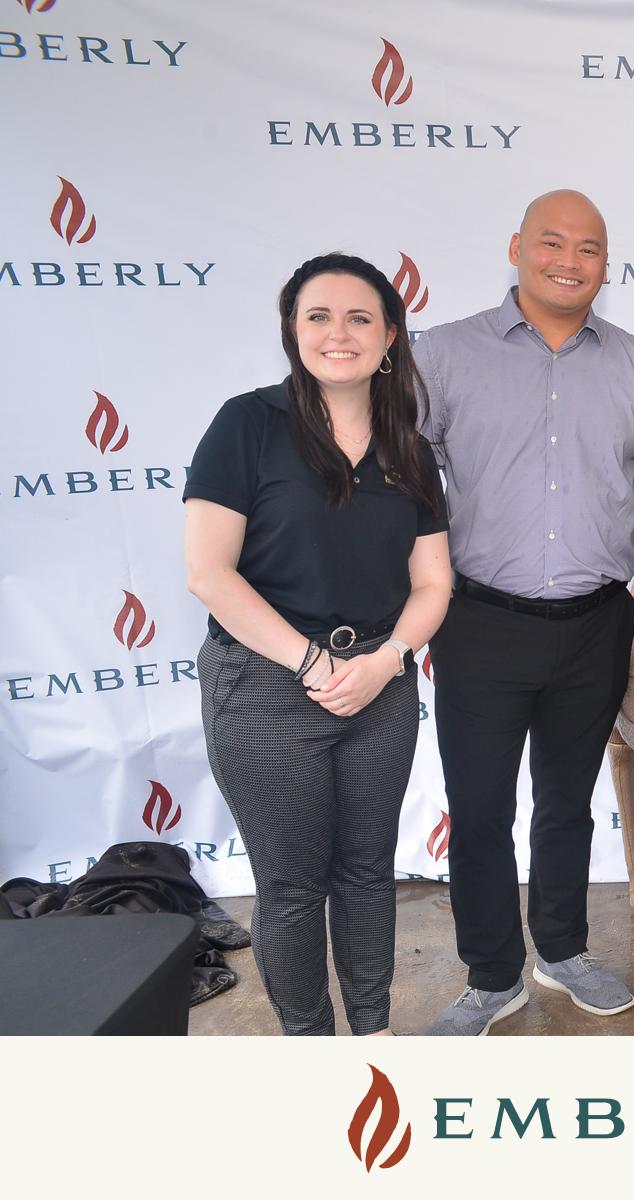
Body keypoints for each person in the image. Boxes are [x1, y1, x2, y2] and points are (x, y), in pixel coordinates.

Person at [415, 190, 634, 1035]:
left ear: (605, 266)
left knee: (566, 801)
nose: (569, 261)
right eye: (552, 243)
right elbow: (401, 479)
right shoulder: (444, 355)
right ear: (516, 247)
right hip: (478, 621)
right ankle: (490, 975)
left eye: (589, 249)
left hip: (594, 625)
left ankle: (564, 950)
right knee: (476, 808)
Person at [184, 252, 452, 1036]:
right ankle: (312, 1049)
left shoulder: (409, 445)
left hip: (381, 680)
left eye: (360, 317)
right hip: (267, 682)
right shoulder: (247, 425)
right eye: (319, 317)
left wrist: (386, 660)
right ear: (292, 332)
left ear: (391, 337)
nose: (340, 334)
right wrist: (312, 662)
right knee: (294, 884)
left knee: (368, 875)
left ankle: (372, 1040)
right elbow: (209, 573)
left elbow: (433, 581)